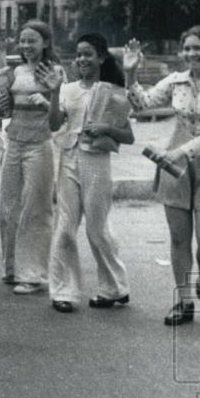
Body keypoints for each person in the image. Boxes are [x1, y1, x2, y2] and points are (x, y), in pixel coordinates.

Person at [124, 26, 200, 326]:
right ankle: (184, 300)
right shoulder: (176, 82)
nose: (190, 54)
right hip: (174, 167)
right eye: (186, 48)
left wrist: (179, 152)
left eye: (197, 48)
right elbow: (142, 104)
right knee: (179, 238)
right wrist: (130, 74)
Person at [44, 33, 134, 313]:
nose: (82, 59)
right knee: (65, 226)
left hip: (97, 160)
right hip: (69, 157)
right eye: (78, 54)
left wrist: (106, 129)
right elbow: (53, 124)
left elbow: (128, 136)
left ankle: (114, 288)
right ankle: (64, 291)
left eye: (88, 54)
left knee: (98, 227)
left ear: (101, 58)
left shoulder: (113, 91)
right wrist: (54, 91)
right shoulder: (68, 90)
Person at [0, 19, 67, 294]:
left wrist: (51, 94)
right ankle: (12, 268)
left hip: (40, 143)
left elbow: (59, 119)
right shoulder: (15, 72)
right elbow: (1, 111)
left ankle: (33, 274)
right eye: (22, 41)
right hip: (13, 142)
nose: (26, 46)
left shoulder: (55, 71)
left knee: (37, 207)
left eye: (32, 40)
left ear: (45, 43)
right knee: (7, 206)